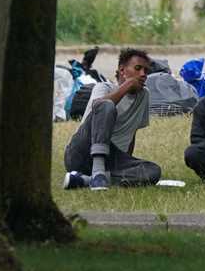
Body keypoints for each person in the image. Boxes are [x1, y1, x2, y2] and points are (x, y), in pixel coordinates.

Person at [61, 48, 162, 189]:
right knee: (106, 105)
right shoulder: (103, 87)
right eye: (138, 68)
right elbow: (99, 106)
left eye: (146, 71)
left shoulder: (144, 95)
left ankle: (86, 180)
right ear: (122, 71)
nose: (143, 74)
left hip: (111, 157)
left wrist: (127, 161)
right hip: (81, 151)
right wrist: (126, 86)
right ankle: (97, 172)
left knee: (153, 171)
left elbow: (131, 132)